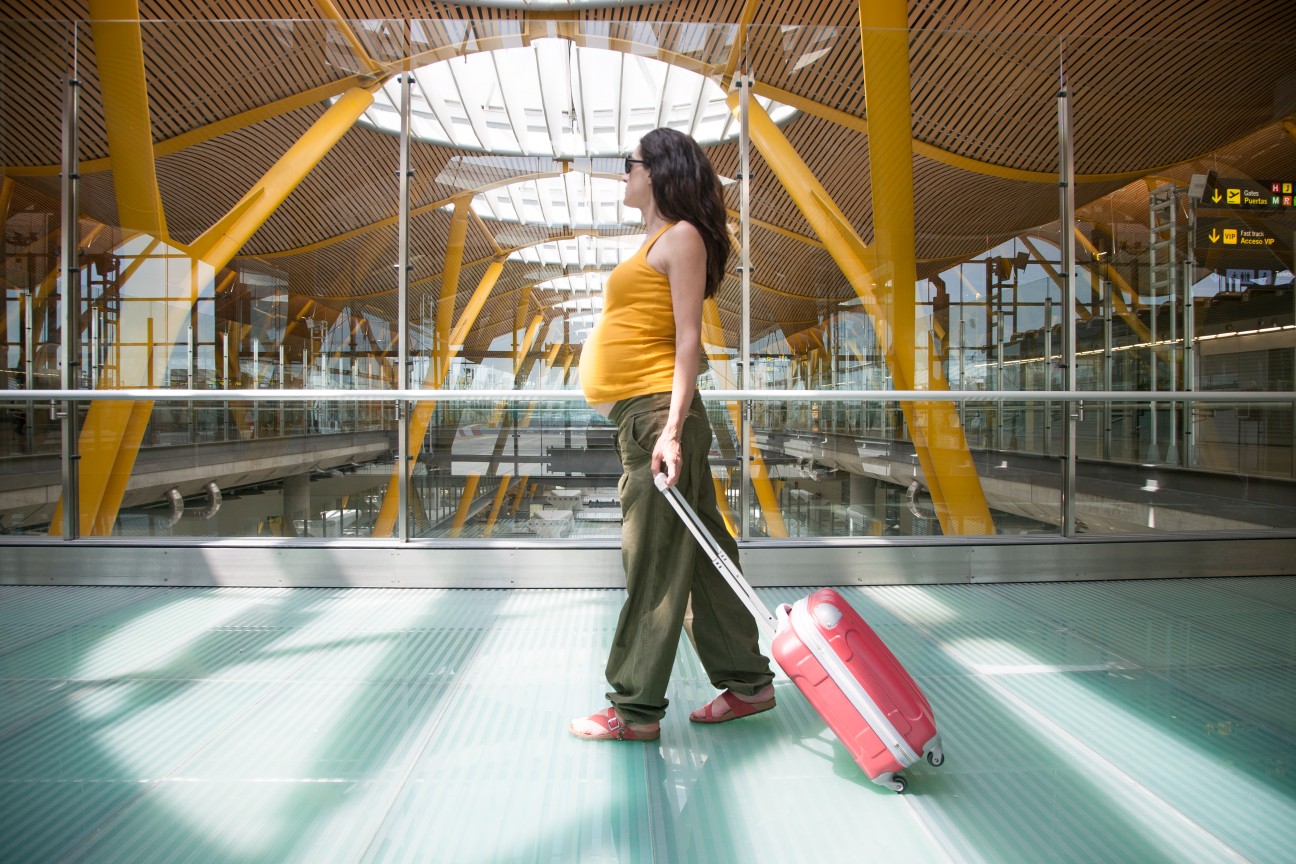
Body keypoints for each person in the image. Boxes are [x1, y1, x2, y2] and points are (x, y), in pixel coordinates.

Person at [569, 128, 776, 742]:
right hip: (645, 415)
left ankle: (634, 710)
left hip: (659, 415)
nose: (623, 175)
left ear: (657, 171)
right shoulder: (656, 238)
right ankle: (748, 684)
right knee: (705, 558)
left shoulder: (682, 236)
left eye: (629, 164)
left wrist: (672, 430)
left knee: (654, 560)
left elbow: (689, 338)